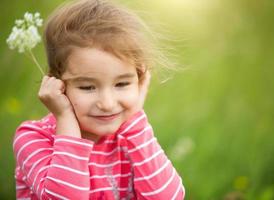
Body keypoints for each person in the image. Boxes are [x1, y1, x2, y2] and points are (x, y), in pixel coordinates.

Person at [13, 0, 185, 199]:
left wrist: (135, 116)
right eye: (87, 87)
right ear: (57, 83)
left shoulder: (130, 137)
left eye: (122, 84)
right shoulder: (34, 138)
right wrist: (65, 120)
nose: (107, 103)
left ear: (139, 80)